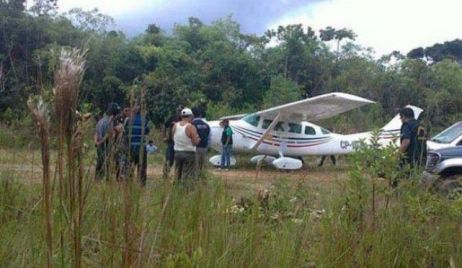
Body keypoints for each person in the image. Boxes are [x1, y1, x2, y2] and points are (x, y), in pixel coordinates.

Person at [124, 102, 150, 186]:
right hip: (141, 148)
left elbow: (125, 133)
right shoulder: (144, 120)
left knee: (130, 166)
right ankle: (142, 185)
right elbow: (147, 131)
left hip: (131, 147)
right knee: (141, 167)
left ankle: (129, 184)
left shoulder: (128, 120)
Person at [172, 108, 200, 183]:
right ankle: (185, 190)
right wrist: (198, 139)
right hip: (188, 153)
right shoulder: (190, 127)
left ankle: (176, 188)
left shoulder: (175, 126)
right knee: (187, 174)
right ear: (191, 116)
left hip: (177, 152)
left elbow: (173, 137)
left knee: (177, 172)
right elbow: (195, 142)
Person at [94, 102, 121, 181]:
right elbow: (109, 135)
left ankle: (97, 180)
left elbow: (95, 133)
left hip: (99, 147)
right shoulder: (109, 122)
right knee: (107, 164)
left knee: (100, 163)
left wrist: (96, 143)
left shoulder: (100, 121)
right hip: (105, 146)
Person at [162, 105, 183, 178]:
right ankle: (165, 176)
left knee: (179, 162)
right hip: (171, 142)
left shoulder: (185, 119)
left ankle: (177, 177)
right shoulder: (172, 118)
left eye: (180, 110)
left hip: (181, 143)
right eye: (178, 110)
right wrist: (164, 137)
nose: (179, 112)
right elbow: (164, 126)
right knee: (169, 160)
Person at [192, 107, 210, 177]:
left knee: (196, 166)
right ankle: (202, 178)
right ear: (200, 115)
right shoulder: (206, 125)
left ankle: (196, 180)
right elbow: (208, 136)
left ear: (193, 115)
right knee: (203, 166)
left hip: (195, 148)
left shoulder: (192, 124)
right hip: (204, 148)